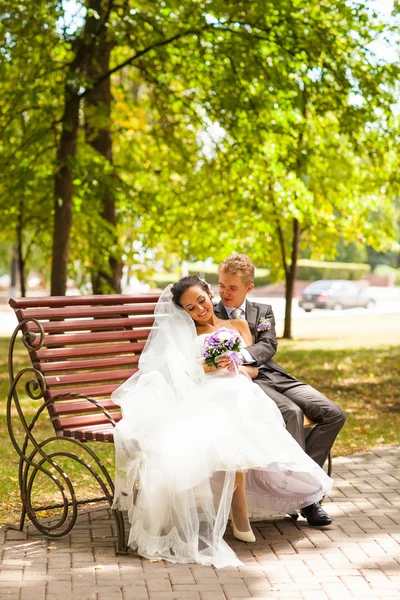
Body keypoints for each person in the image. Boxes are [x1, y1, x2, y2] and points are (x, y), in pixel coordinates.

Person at [111, 277, 333, 568]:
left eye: (201, 301)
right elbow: (184, 375)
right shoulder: (187, 335)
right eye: (190, 308)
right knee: (229, 415)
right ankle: (238, 509)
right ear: (184, 312)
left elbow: (254, 371)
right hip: (207, 392)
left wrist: (237, 366)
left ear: (209, 294)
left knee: (240, 402)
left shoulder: (239, 327)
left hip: (240, 388)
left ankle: (245, 503)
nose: (199, 310)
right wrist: (210, 364)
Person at [214, 254, 346, 527]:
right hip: (245, 381)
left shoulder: (263, 311)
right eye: (221, 285)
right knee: (291, 412)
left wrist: (242, 355)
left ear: (248, 288)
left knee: (333, 414)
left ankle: (297, 485)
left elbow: (268, 344)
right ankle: (309, 502)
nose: (225, 293)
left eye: (232, 288)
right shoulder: (210, 314)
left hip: (275, 374)